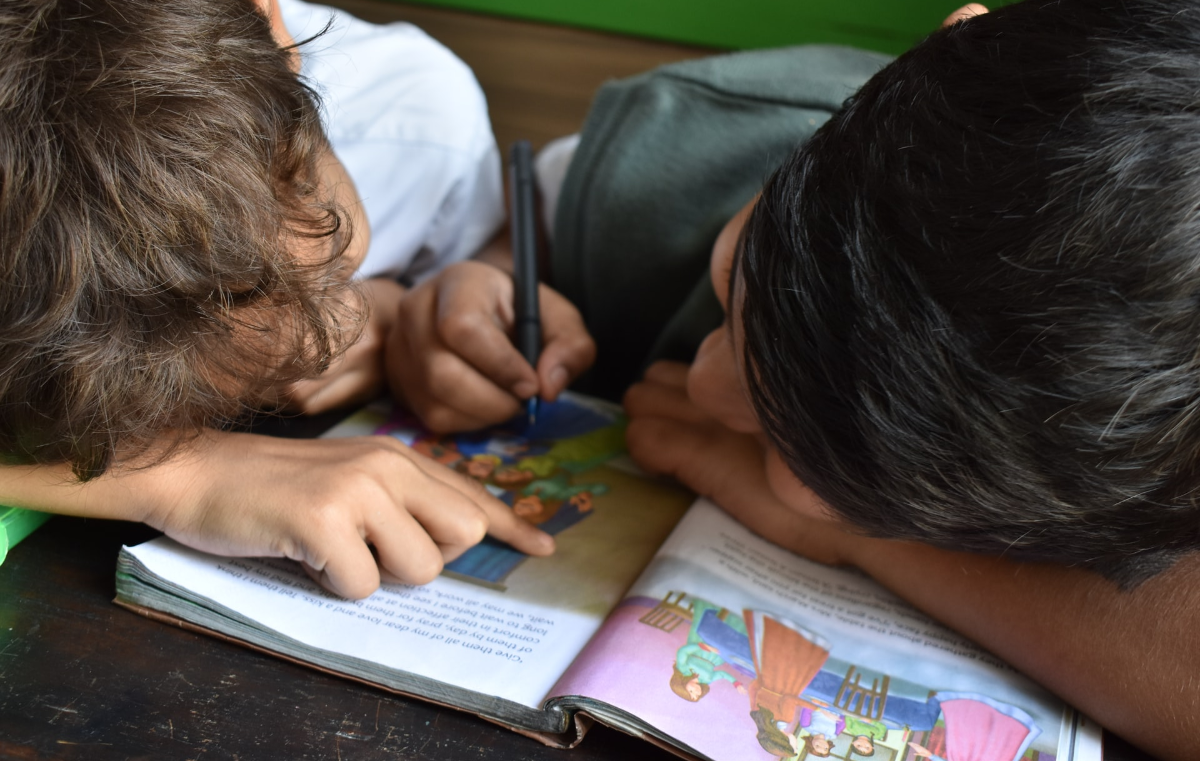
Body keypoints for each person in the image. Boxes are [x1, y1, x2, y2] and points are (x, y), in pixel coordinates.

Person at [406, 0, 1198, 756]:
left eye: (798, 451)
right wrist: (484, 276)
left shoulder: (1154, 434)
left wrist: (847, 537)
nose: (705, 385)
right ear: (949, 40)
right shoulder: (685, 141)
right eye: (734, 275)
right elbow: (531, 219)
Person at [0, 0, 602, 600]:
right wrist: (179, 477)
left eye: (336, 271)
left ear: (270, 24)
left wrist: (435, 300)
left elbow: (484, 257)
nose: (320, 349)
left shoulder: (418, 127)